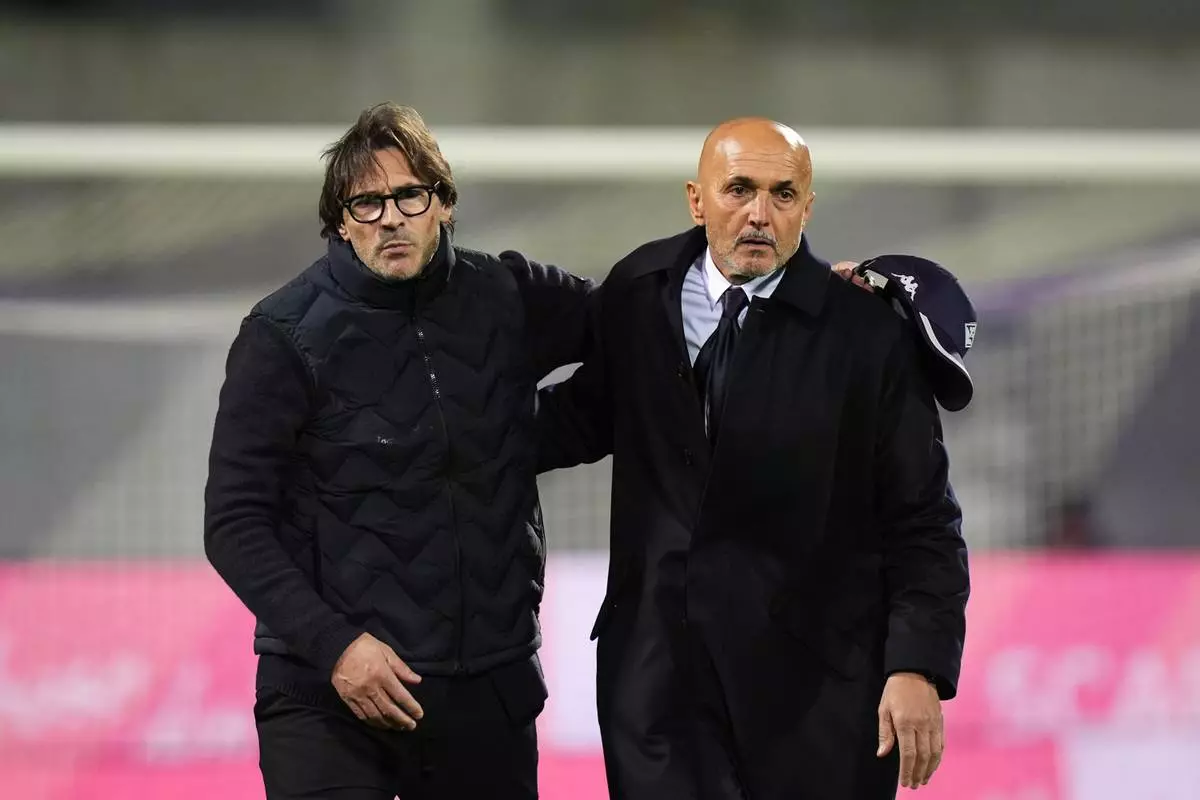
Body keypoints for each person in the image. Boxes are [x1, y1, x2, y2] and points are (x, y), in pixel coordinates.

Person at [536, 117, 972, 800]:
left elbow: (922, 521)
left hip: (817, 692)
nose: (759, 214)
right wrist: (448, 430)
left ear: (808, 206)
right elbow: (582, 418)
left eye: (783, 193)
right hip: (658, 685)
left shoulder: (865, 336)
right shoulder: (638, 290)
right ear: (696, 198)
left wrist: (917, 666)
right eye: (739, 189)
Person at [203, 102, 595, 800]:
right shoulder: (282, 335)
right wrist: (335, 646)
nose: (390, 217)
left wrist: (537, 430)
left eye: (408, 195)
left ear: (442, 203)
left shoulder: (504, 294)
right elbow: (234, 524)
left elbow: (633, 333)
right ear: (341, 222)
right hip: (332, 701)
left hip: (487, 691)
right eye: (367, 203)